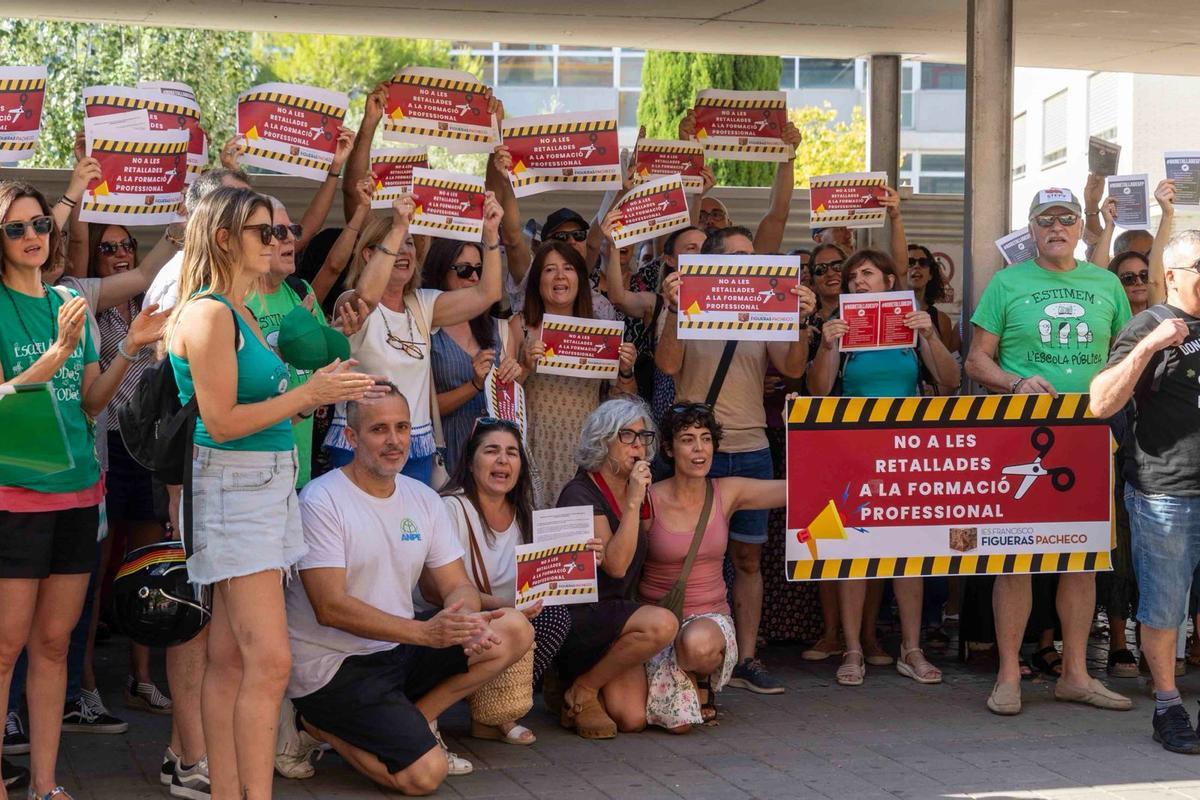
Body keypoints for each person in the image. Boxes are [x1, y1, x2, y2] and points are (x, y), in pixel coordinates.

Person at [167, 186, 374, 799]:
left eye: (279, 231)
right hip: (235, 486)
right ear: (225, 239)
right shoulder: (208, 313)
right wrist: (308, 396)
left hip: (264, 485)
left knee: (233, 658)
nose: (280, 241)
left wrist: (321, 384)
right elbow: (222, 420)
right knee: (269, 661)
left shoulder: (247, 311)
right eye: (264, 232)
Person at [274, 385, 533, 793]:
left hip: (395, 649)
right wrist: (426, 633)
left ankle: (416, 721)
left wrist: (462, 618)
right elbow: (331, 607)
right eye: (379, 429)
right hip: (332, 668)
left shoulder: (423, 497)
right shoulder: (322, 500)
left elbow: (457, 584)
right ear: (352, 437)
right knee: (424, 776)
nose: (394, 441)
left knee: (513, 628)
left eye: (402, 427)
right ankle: (312, 724)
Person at [0, 181, 162, 799]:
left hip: (77, 496)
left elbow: (92, 404)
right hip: (14, 495)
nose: (32, 238)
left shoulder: (68, 298)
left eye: (39, 224)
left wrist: (130, 349)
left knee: (52, 645)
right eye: (15, 229)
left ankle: (44, 784)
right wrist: (60, 349)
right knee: (8, 645)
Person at [965, 187, 1133, 717]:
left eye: (1067, 218)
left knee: (1081, 560)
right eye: (1045, 219)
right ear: (1032, 230)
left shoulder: (1106, 283)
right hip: (1021, 437)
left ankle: (1075, 674)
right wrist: (1015, 384)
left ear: (1081, 227)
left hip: (1090, 437)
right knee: (1014, 557)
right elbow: (975, 361)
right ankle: (1010, 675)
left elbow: (1124, 356)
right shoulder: (1006, 282)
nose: (1056, 227)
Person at [656, 226, 816, 694]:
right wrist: (672, 308)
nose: (754, 261)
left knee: (749, 559)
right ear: (713, 261)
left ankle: (746, 657)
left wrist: (803, 321)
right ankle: (671, 650)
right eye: (742, 255)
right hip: (695, 449)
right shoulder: (689, 300)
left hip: (749, 447)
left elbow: (791, 368)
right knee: (678, 553)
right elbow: (666, 365)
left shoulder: (766, 303)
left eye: (754, 254)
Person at [807, 249, 959, 686]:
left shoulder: (914, 325)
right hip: (852, 450)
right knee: (853, 553)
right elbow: (818, 390)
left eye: (867, 274)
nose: (857, 282)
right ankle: (852, 649)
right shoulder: (839, 327)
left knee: (906, 553)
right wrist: (828, 343)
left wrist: (929, 336)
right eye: (852, 276)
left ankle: (911, 649)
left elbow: (948, 381)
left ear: (891, 281)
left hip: (905, 452)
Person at [1090, 230, 1200, 753]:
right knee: (1163, 608)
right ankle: (1167, 706)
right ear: (1173, 276)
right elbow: (1100, 401)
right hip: (1167, 495)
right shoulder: (1148, 325)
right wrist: (1151, 349)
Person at [430, 416, 596, 746]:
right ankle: (484, 713)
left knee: (556, 617)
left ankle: (496, 712)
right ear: (471, 459)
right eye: (492, 451)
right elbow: (433, 590)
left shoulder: (524, 512)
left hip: (513, 616)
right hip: (464, 617)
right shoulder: (450, 508)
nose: (503, 461)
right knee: (517, 622)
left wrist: (584, 558)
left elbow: (545, 577)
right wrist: (505, 606)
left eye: (512, 452)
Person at [322, 194, 505, 485]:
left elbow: (488, 294)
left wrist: (491, 235)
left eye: (410, 243)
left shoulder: (423, 304)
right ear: (369, 255)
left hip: (414, 449)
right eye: (396, 243)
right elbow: (367, 297)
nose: (405, 250)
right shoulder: (350, 301)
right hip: (361, 446)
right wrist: (396, 228)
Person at [640, 403, 788, 731]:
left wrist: (808, 431)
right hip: (656, 621)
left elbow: (791, 491)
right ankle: (679, 686)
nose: (699, 449)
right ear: (668, 447)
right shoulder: (648, 496)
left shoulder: (726, 491)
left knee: (696, 646)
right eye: (688, 439)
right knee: (640, 718)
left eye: (706, 439)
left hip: (708, 620)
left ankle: (700, 678)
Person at [553, 398, 678, 738]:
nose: (639, 445)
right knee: (663, 624)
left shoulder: (636, 490)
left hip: (616, 616)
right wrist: (635, 502)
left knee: (632, 718)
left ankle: (582, 687)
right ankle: (582, 688)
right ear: (602, 440)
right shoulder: (580, 492)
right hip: (582, 615)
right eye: (627, 436)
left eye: (643, 436)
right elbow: (618, 566)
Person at [247, 197, 368, 489]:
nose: (290, 237)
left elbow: (315, 366)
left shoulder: (301, 291)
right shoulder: (236, 302)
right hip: (252, 469)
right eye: (279, 231)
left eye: (293, 229)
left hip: (298, 465)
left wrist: (335, 333)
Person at [511, 242, 638, 508]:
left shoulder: (601, 334)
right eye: (549, 269)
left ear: (580, 279)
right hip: (534, 446)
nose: (560, 276)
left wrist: (626, 369)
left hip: (584, 449)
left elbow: (622, 405)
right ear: (537, 281)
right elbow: (500, 397)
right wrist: (524, 367)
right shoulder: (520, 325)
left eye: (568, 268)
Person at [423, 240, 522, 477]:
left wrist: (521, 369)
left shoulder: (500, 329)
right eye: (465, 270)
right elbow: (423, 407)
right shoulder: (424, 330)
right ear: (441, 271)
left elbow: (508, 405)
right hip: (448, 449)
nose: (474, 277)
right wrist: (474, 385)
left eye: (479, 269)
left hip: (495, 454)